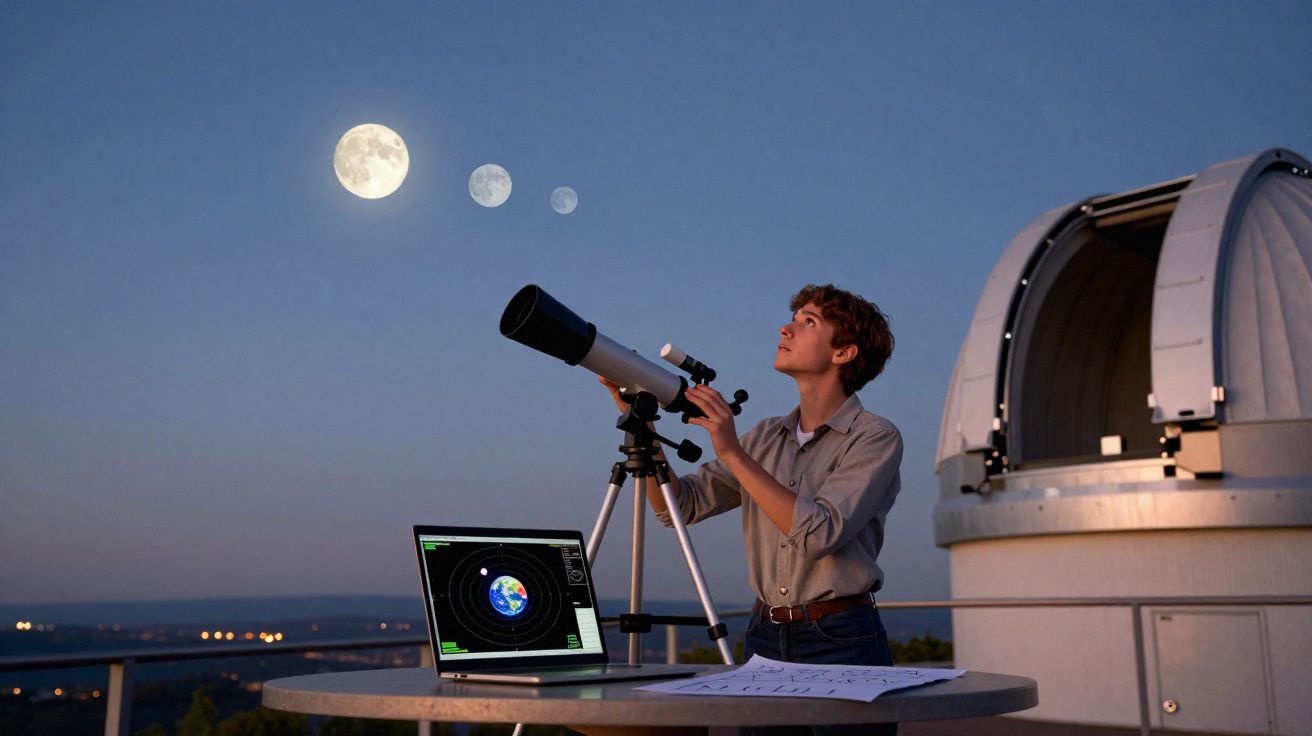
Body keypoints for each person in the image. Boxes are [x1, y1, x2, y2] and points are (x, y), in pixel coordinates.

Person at [602, 283, 902, 736]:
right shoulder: (765, 437)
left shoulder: (875, 438)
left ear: (843, 353)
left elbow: (820, 535)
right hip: (765, 635)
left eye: (808, 322)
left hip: (842, 638)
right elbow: (677, 506)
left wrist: (733, 451)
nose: (786, 327)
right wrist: (642, 428)